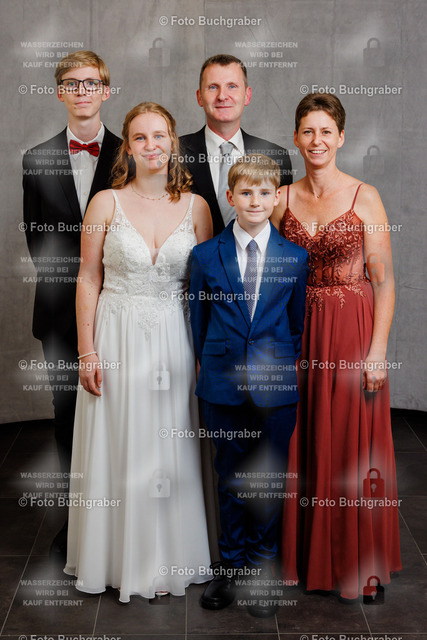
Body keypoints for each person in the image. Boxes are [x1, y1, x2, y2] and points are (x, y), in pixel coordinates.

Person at [63, 102, 213, 602]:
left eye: (160, 135)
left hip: (176, 336)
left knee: (171, 446)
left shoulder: (197, 207)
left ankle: (171, 555)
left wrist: (205, 353)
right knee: (120, 442)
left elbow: (206, 288)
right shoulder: (105, 203)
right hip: (116, 335)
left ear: (173, 142)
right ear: (127, 147)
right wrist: (87, 351)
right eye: (141, 137)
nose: (152, 145)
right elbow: (88, 278)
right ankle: (114, 558)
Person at [270, 93, 402, 602]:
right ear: (296, 138)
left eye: (326, 131)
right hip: (298, 334)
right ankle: (308, 558)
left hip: (351, 333)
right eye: (308, 131)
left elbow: (383, 281)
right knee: (301, 439)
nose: (317, 140)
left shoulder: (365, 196)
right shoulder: (280, 198)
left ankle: (355, 563)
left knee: (350, 443)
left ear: (341, 137)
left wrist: (378, 351)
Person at [189, 154, 308, 617]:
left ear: (276, 197)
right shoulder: (205, 256)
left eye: (264, 193)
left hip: (275, 389)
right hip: (223, 386)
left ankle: (261, 567)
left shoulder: (294, 258)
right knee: (230, 478)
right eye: (245, 192)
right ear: (230, 197)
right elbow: (199, 324)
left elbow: (295, 326)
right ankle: (231, 566)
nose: (255, 201)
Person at [22, 50, 121, 557]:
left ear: (106, 90)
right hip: (60, 313)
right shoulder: (36, 157)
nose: (82, 91)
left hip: (123, 308)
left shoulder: (130, 152)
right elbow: (38, 242)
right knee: (67, 414)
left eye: (92, 82)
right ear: (60, 92)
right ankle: (76, 523)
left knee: (120, 412)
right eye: (72, 83)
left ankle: (120, 522)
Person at [180, 54, 293, 236]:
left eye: (232, 86)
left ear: (247, 95)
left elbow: (278, 231)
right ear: (199, 97)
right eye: (213, 87)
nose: (222, 96)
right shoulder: (174, 153)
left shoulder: (276, 156)